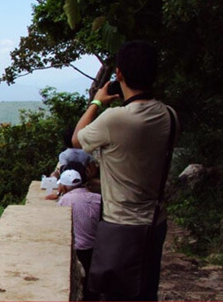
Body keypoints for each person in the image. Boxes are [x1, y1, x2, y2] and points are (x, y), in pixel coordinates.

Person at [71, 41, 179, 301]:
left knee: (116, 295)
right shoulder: (170, 116)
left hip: (121, 226)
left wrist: (97, 101)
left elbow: (76, 139)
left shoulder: (116, 118)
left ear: (119, 74)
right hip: (155, 223)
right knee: (145, 291)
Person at [55, 169, 101, 301]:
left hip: (79, 250)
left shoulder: (65, 200)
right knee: (92, 285)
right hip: (96, 249)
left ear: (64, 186)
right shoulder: (98, 198)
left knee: (80, 281)